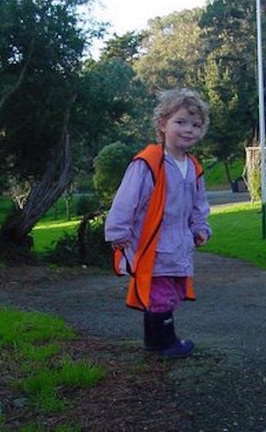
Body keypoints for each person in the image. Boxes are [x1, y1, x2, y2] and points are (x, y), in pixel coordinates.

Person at [104, 88, 211, 359]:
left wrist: (200, 228)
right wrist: (119, 232)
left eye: (196, 125)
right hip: (153, 243)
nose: (189, 130)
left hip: (179, 244)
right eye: (181, 122)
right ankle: (165, 344)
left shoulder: (193, 167)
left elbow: (199, 204)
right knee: (159, 293)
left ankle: (155, 341)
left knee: (172, 292)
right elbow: (126, 200)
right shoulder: (149, 164)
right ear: (163, 124)